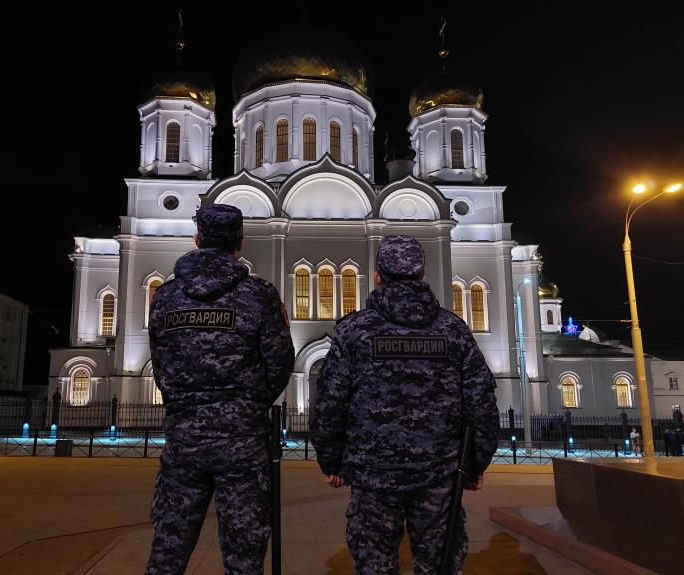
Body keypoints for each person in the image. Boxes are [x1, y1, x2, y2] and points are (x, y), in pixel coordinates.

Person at [311, 235, 499, 574]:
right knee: (438, 564)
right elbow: (482, 402)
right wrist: (475, 465)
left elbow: (329, 402)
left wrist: (332, 462)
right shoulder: (452, 330)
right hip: (438, 477)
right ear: (423, 273)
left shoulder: (355, 331)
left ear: (378, 274)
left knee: (375, 565)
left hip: (373, 477)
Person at [145, 204, 295, 575]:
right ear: (240, 243)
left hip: (184, 440)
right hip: (242, 443)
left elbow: (160, 364)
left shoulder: (165, 297)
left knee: (168, 550)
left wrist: (184, 403)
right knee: (244, 556)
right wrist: (249, 403)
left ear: (197, 240)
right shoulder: (258, 294)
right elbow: (279, 364)